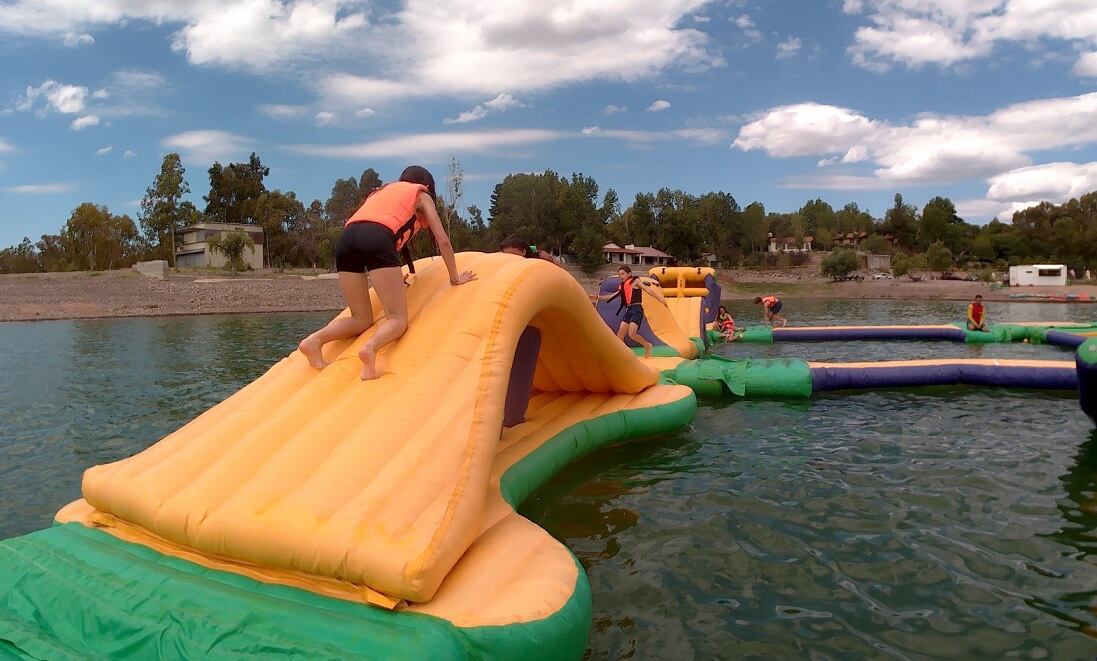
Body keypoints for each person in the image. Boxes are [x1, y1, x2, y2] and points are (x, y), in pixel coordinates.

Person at [298, 165, 477, 379]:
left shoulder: (381, 191)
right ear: (427, 184)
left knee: (361, 319)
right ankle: (371, 348)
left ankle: (314, 340)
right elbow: (443, 240)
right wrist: (455, 278)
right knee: (397, 319)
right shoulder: (421, 193)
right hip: (378, 238)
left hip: (346, 239)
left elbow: (378, 230)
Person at [597, 265, 665, 358]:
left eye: (622, 274)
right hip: (628, 310)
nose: (621, 276)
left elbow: (648, 290)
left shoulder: (635, 281)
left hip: (636, 309)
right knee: (620, 335)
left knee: (632, 334)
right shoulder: (622, 286)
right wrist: (597, 297)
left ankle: (647, 345)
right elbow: (611, 296)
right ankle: (624, 355)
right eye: (619, 274)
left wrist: (660, 298)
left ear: (629, 274)